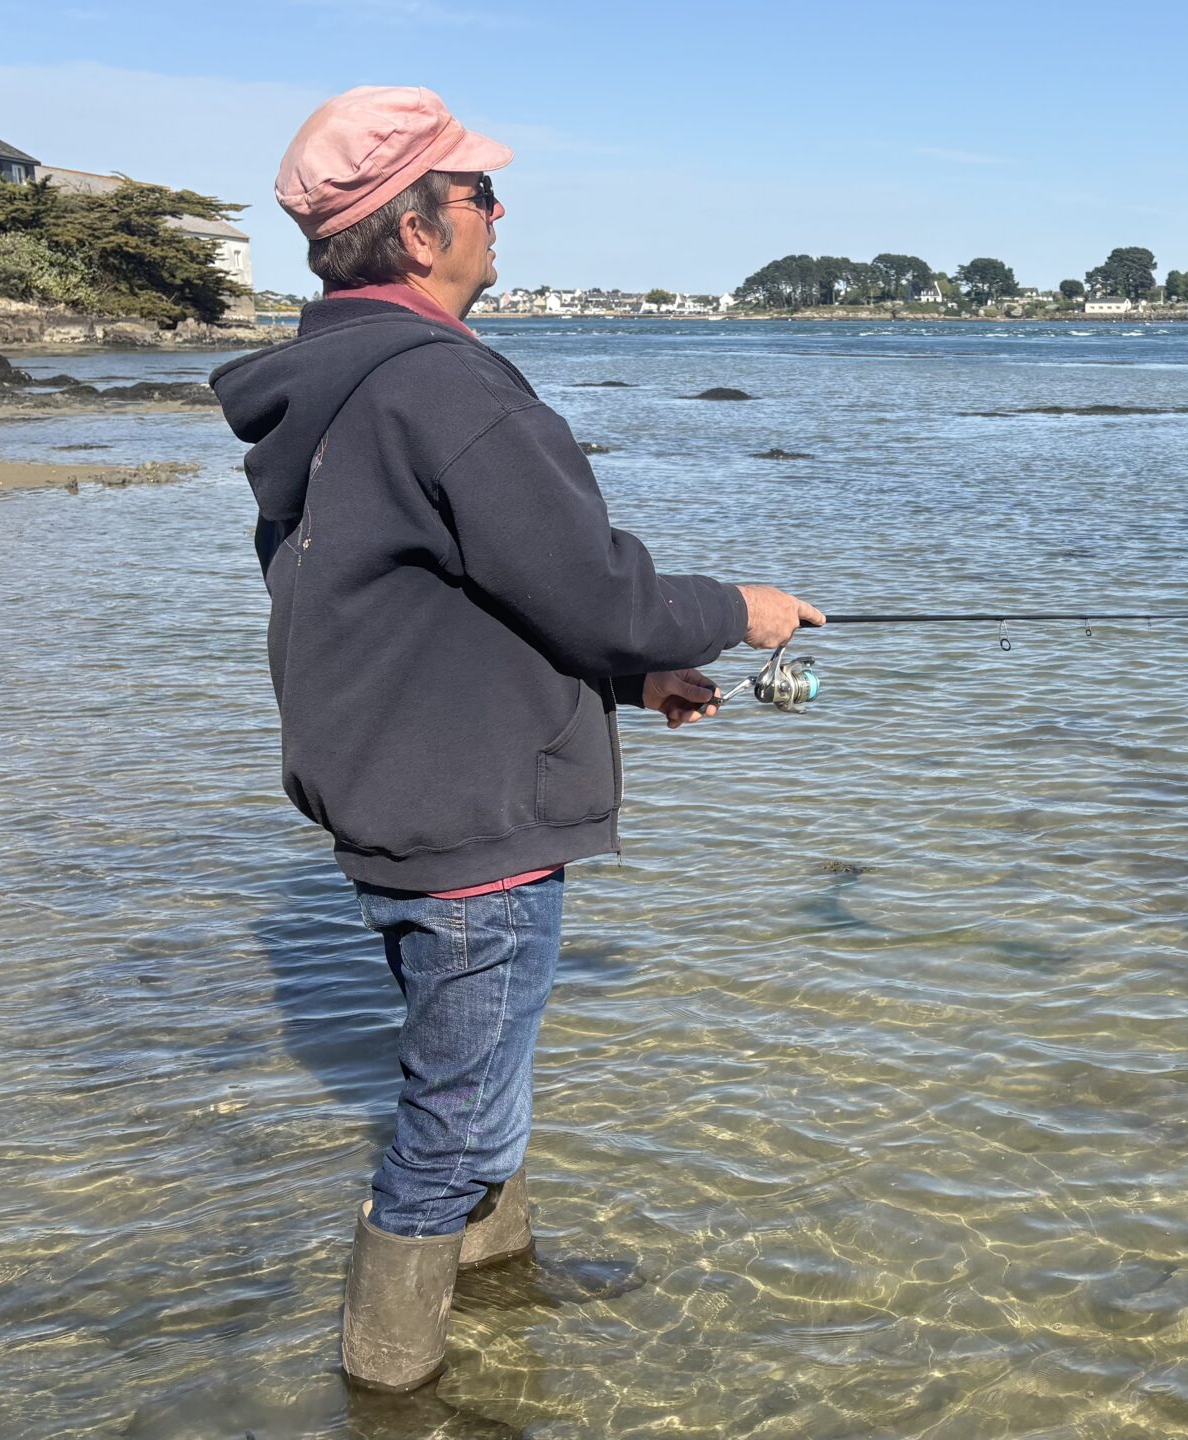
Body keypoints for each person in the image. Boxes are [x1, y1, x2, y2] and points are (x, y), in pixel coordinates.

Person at [210, 86, 823, 1392]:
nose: (501, 212)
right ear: (420, 232)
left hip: (403, 804)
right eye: (480, 193)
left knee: (474, 1091)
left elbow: (437, 611)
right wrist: (731, 613)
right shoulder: (439, 385)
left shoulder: (334, 391)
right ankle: (391, 1389)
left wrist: (634, 672)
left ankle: (497, 1294)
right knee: (451, 1125)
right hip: (469, 824)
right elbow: (587, 583)